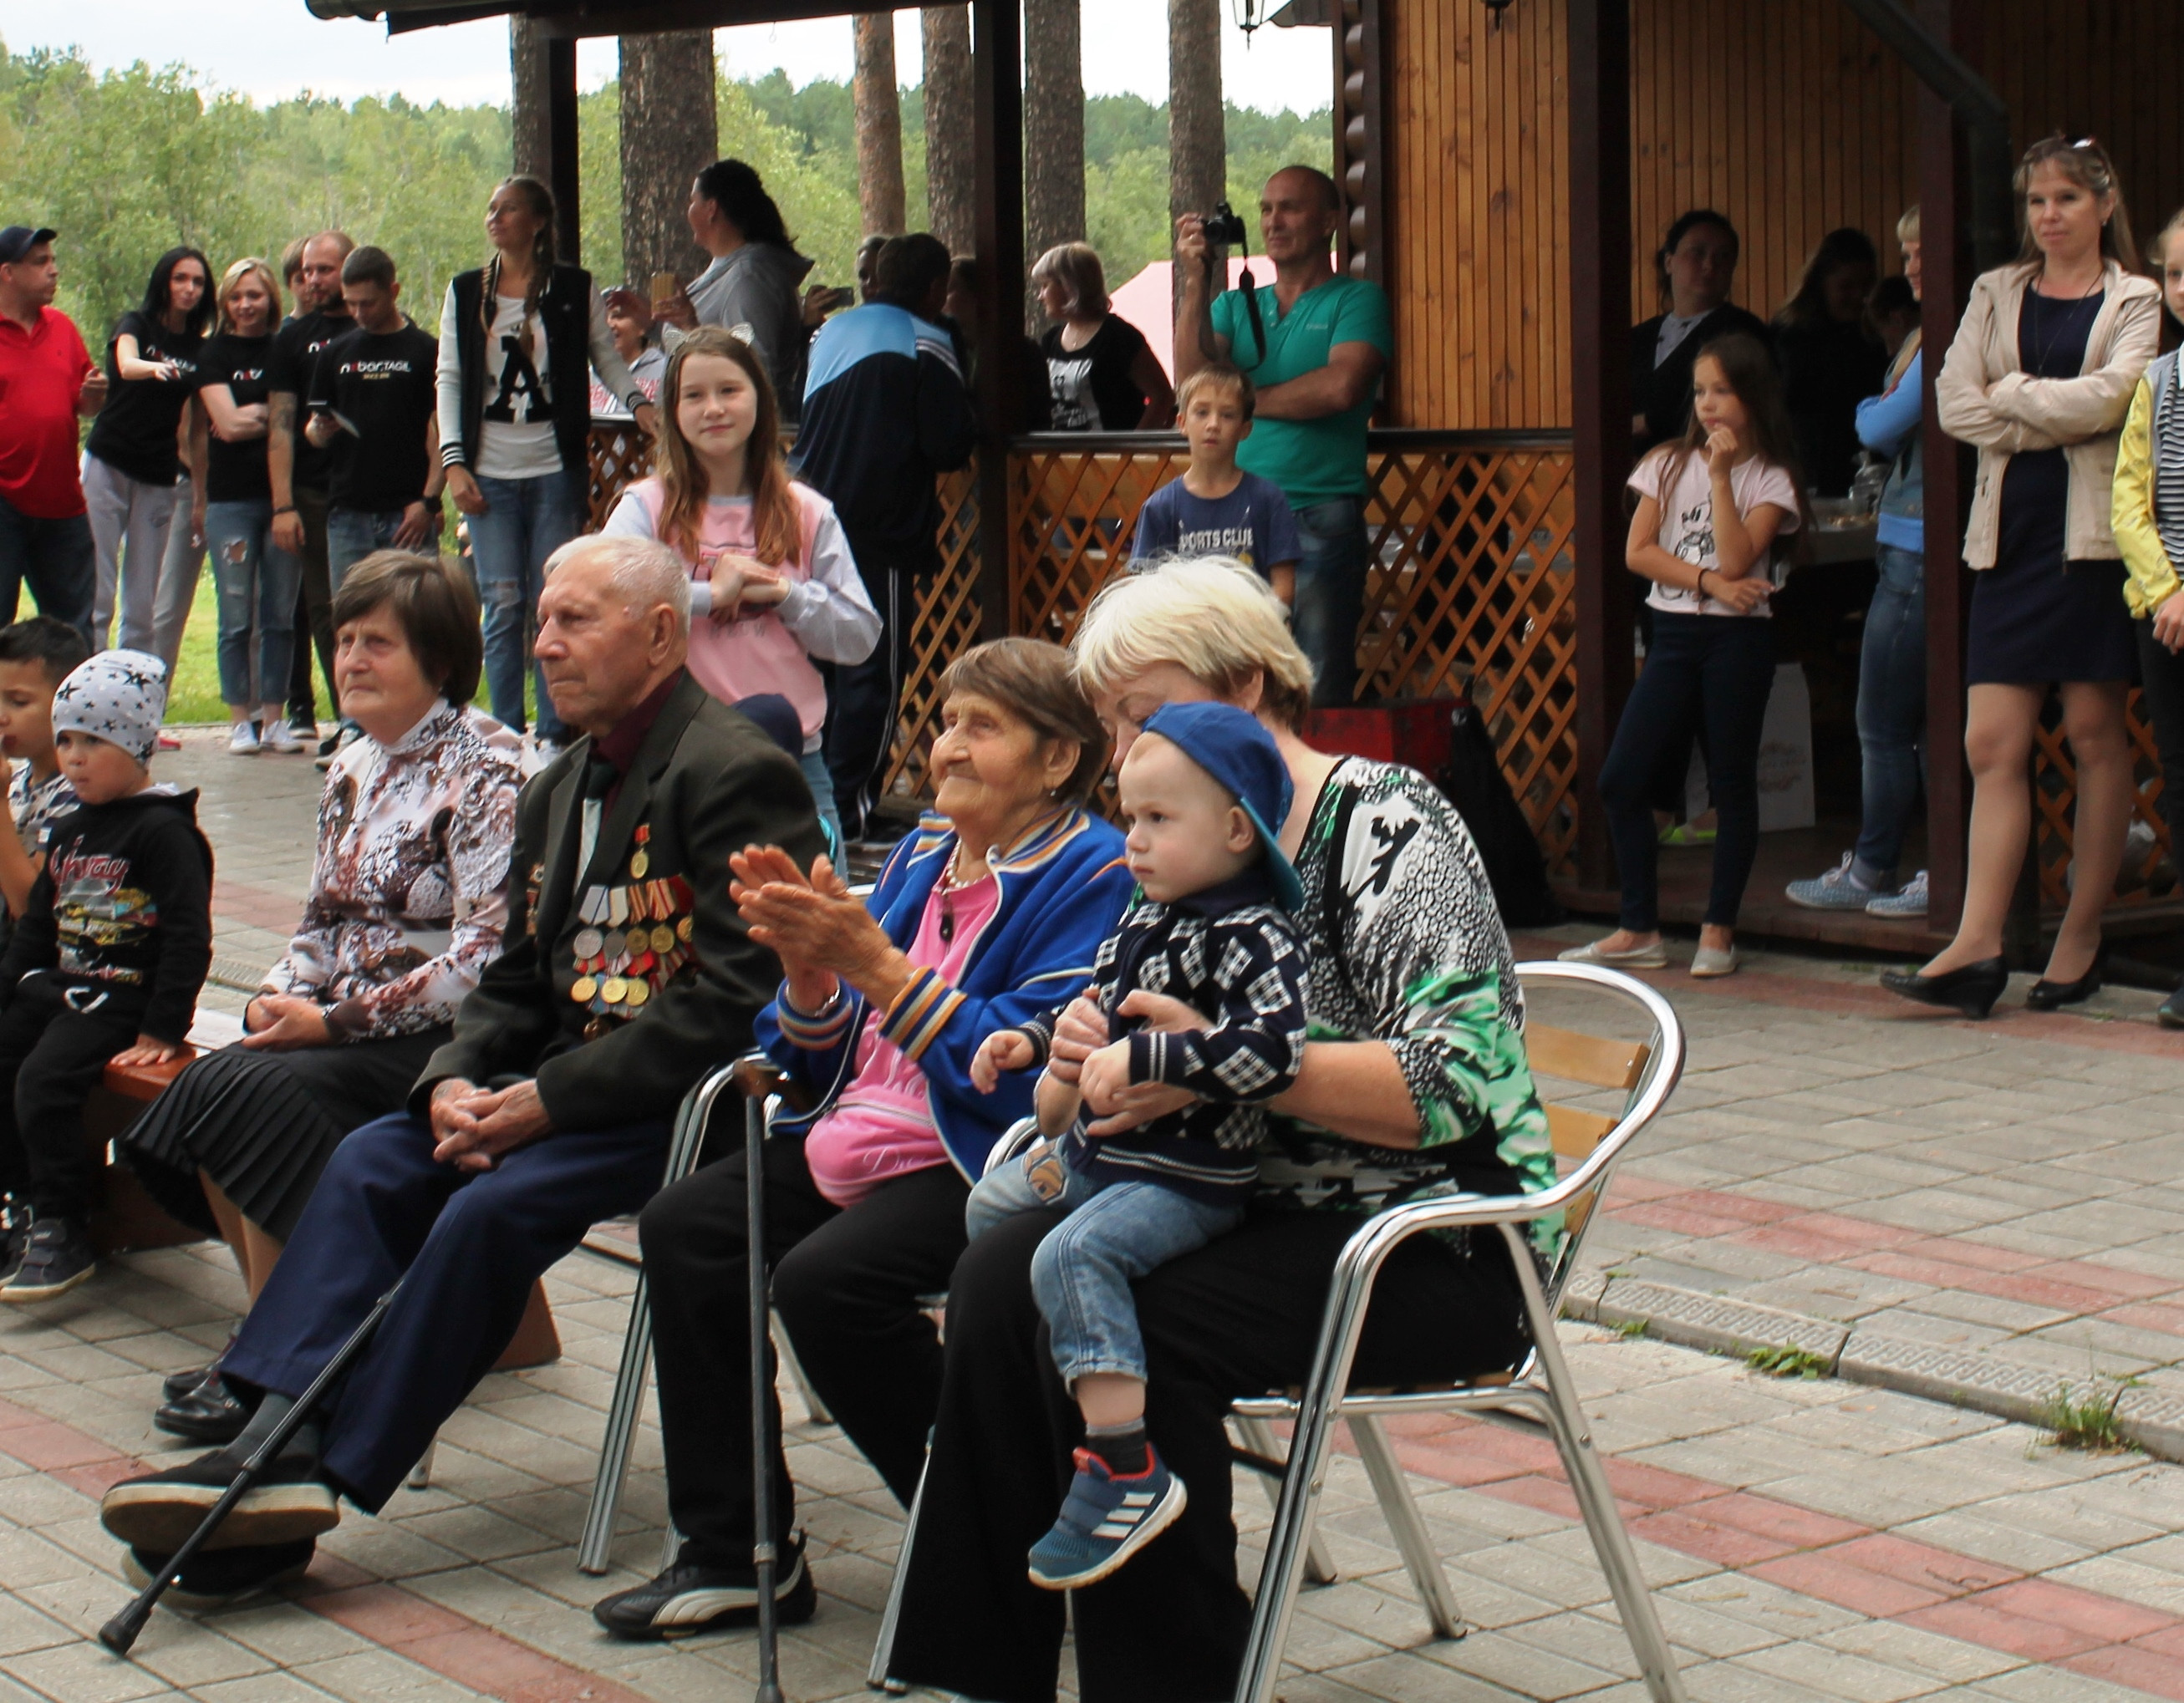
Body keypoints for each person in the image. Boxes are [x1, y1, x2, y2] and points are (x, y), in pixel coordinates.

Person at [96, 533, 824, 1604]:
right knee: (378, 1158)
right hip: (558, 1085)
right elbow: (515, 977)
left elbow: (735, 1002)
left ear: (662, 634)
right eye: (541, 622)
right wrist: (453, 1076)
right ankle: (265, 1431)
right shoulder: (565, 776)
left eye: (576, 620)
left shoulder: (731, 771)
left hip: (679, 1108)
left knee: (484, 1213)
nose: (545, 644)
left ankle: (305, 1473)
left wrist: (546, 1100)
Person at [883, 558, 1553, 1702]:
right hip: (1253, 1203)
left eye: (1139, 712)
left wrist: (1208, 1063)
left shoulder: (1390, 822)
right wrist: (1083, 1062)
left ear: (1246, 687)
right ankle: (979, 1673)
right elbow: (1128, 1051)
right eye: (1108, 724)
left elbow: (1453, 1086)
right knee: (1006, 1273)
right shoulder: (1180, 835)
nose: (1118, 753)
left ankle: (1172, 1681)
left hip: (1433, 1235)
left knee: (1130, 1312)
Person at [591, 636, 1132, 1639]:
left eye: (984, 726)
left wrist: (872, 963)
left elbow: (1017, 1071)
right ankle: (735, 1550)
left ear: (1060, 759)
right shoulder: (927, 850)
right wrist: (805, 973)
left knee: (828, 1284)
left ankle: (996, 1526)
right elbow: (811, 1052)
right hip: (860, 1133)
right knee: (687, 1226)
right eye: (945, 722)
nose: (949, 748)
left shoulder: (1094, 875)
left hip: (984, 1155)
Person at [119, 552, 520, 1444]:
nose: (352, 659)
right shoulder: (349, 760)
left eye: (378, 641)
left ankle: (279, 1358)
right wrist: (273, 997)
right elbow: (319, 920)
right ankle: (276, 1345)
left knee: (258, 1095)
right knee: (219, 1081)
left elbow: (485, 957)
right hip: (338, 1022)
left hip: (449, 1037)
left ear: (442, 658)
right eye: (343, 640)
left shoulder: (490, 767)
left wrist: (330, 1021)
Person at [965, 699, 1307, 1589]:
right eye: (1128, 817)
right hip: (1105, 1153)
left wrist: (1159, 1055)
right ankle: (1008, 1401)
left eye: (1159, 820)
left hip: (1190, 1176)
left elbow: (1277, 1050)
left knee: (1071, 1256)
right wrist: (1043, 1041)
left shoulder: (1256, 934)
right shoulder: (1145, 915)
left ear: (1237, 829)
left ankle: (1124, 1461)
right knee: (989, 1203)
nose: (1134, 840)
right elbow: (1097, 996)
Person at [1891, 135, 2161, 1020]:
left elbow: (2118, 398)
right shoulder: (1993, 291)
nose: (2050, 215)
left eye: (2067, 200)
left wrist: (2015, 396)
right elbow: (1954, 402)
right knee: (1990, 743)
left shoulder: (2137, 297)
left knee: (2092, 734)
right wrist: (2037, 404)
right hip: (2007, 541)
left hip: (2091, 542)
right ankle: (1976, 944)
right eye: (2038, 201)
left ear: (2104, 204)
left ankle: (2080, 934)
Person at [1564, 336, 1805, 981]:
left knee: (1730, 782)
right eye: (1699, 392)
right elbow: (1637, 553)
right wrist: (1707, 584)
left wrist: (1722, 480)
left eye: (1722, 391)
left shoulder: (1771, 478)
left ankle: (1717, 928)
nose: (1708, 405)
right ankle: (1638, 927)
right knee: (1621, 778)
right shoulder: (1666, 463)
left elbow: (1735, 557)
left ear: (1752, 396)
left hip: (1738, 640)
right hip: (1673, 633)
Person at [600, 326, 878, 850]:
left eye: (729, 390)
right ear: (671, 412)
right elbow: (607, 608)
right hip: (677, 755)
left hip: (796, 759)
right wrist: (709, 596)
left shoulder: (807, 510)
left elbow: (860, 635)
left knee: (817, 913)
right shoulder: (645, 508)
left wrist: (787, 595)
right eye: (694, 395)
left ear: (760, 400)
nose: (714, 409)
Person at [0, 650, 211, 1302]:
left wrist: (164, 1025)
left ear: (139, 744)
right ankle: (23, 1201)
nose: (75, 757)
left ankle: (64, 1223)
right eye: (66, 740)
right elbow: (38, 926)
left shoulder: (163, 832)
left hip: (123, 1000)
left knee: (43, 1079)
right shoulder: (70, 829)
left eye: (94, 740)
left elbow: (187, 937)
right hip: (65, 988)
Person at [440, 176, 660, 753]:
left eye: (508, 209)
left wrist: (636, 404)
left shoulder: (571, 287)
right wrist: (453, 463)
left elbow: (603, 356)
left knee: (555, 597)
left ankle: (558, 732)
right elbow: (451, 377)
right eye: (490, 208)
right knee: (502, 601)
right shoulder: (466, 292)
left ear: (537, 222)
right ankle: (505, 733)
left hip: (551, 467)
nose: (495, 217)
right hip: (489, 468)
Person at [1173, 167, 1392, 706]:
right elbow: (1190, 380)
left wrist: (1242, 403)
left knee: (1313, 677)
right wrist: (1199, 279)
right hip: (1233, 512)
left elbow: (1341, 387)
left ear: (1330, 223)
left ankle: (1311, 787)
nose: (1274, 221)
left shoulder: (1356, 301)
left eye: (1291, 208)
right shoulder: (1233, 304)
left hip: (1316, 510)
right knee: (1225, 675)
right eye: (1267, 209)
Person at [793, 232, 975, 841]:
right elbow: (950, 442)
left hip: (809, 518)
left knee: (817, 666)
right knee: (872, 669)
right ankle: (849, 813)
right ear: (935, 289)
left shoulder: (832, 333)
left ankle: (809, 801)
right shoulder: (928, 338)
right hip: (881, 527)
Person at [1789, 208, 1932, 920]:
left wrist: (1872, 398)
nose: (1910, 264)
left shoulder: (1942, 339)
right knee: (1938, 715)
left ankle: (1876, 866)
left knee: (1882, 717)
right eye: (1904, 250)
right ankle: (1941, 866)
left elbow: (1878, 425)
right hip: (1946, 543)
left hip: (1916, 545)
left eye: (1921, 249)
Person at [2114, 206, 2184, 1027]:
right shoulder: (2158, 382)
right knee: (2180, 782)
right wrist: (2167, 591)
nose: (2181, 285)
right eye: (2173, 272)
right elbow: (2130, 499)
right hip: (2164, 615)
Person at [191, 258, 302, 756]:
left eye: (254, 295)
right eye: (236, 297)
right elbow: (228, 427)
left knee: (279, 613)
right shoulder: (212, 353)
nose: (245, 305)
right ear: (226, 303)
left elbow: (287, 423)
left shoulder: (285, 348)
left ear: (270, 299)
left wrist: (249, 414)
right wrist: (273, 417)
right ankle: (241, 719)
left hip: (282, 499)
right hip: (230, 503)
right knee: (236, 615)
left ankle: (275, 718)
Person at [84, 247, 212, 653]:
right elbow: (125, 363)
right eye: (180, 279)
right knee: (97, 595)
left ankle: (129, 703)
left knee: (142, 606)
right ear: (163, 282)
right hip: (108, 464)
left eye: (197, 282)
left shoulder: (199, 350)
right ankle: (85, 694)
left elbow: (198, 431)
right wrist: (155, 368)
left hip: (159, 478)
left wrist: (201, 499)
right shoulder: (134, 324)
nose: (188, 289)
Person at [305, 247, 443, 593]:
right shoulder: (335, 353)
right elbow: (312, 432)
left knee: (415, 619)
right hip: (348, 511)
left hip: (407, 511)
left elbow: (442, 434)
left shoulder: (426, 351)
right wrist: (321, 430)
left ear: (393, 292)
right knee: (351, 616)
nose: (359, 313)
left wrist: (429, 502)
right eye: (351, 304)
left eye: (368, 303)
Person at [268, 230, 358, 753]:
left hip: (382, 493)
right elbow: (281, 426)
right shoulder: (293, 338)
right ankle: (351, 719)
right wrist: (283, 504)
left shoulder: (392, 333)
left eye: (326, 269)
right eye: (308, 270)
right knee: (328, 610)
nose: (315, 279)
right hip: (313, 492)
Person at [647, 159, 814, 424]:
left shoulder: (750, 279)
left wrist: (691, 328)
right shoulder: (729, 270)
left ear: (711, 208)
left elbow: (756, 366)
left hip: (728, 436)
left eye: (693, 201)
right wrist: (647, 322)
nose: (687, 211)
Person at [0, 226, 103, 645]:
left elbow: (84, 405)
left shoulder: (61, 327)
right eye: (41, 262)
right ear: (8, 272)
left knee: (73, 631)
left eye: (53, 261)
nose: (54, 271)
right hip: (4, 501)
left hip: (62, 501)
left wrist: (94, 397)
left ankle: (71, 710)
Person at [1130, 364, 1301, 607]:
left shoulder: (1269, 500)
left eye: (1227, 415)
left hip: (1251, 632)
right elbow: (1145, 589)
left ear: (1245, 429)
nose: (1213, 424)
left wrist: (1267, 620)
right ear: (1182, 422)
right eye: (1201, 412)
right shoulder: (1160, 507)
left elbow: (1283, 586)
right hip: (1185, 634)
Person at [1632, 211, 1772, 453]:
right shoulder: (1636, 338)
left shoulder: (1743, 331)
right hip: (1637, 474)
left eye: (1723, 256)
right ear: (1669, 262)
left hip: (1714, 465)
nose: (1709, 265)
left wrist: (1650, 421)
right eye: (1697, 253)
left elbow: (1747, 403)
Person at [1774, 228, 1886, 496]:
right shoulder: (1787, 335)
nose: (1860, 296)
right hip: (1801, 468)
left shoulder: (1878, 338)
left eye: (1868, 286)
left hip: (1863, 472)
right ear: (1820, 283)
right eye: (1847, 286)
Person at [1033, 241, 1173, 431]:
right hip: (1063, 459)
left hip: (1113, 458)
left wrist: (1130, 450)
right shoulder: (1049, 341)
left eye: (1045, 286)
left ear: (1069, 286)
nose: (1040, 296)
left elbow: (1162, 396)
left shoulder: (1118, 337)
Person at [0, 618, 85, 928]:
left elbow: (29, 908)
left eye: (18, 702)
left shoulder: (74, 792)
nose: (1, 716)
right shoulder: (22, 780)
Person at [588, 289, 667, 419]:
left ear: (643, 325)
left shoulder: (667, 370)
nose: (609, 325)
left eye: (618, 316)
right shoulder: (588, 376)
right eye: (602, 319)